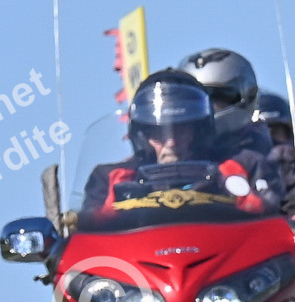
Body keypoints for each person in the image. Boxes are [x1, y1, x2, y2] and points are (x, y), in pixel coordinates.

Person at [81, 69, 277, 214]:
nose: (171, 142)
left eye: (181, 130)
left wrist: (238, 193)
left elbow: (276, 222)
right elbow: (88, 236)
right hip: (138, 259)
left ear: (198, 131)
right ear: (143, 136)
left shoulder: (243, 166)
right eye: (159, 132)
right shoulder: (110, 178)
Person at [179, 49, 274, 160]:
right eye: (192, 98)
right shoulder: (175, 148)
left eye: (216, 95)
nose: (203, 104)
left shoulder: (261, 154)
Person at [254, 90, 295, 218]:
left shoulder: (289, 160)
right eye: (261, 134)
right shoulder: (240, 167)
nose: (268, 140)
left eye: (274, 132)